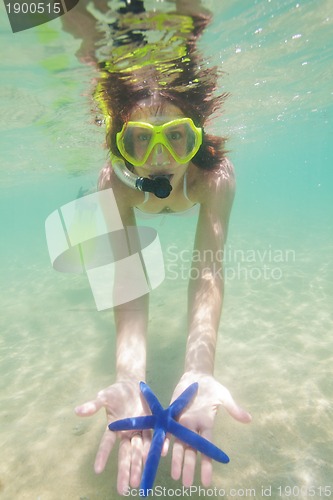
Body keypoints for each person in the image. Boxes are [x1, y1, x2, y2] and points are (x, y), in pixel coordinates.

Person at [63, 0, 251, 494]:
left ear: (198, 136)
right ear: (118, 144)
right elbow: (128, 283)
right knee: (100, 239)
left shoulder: (214, 179)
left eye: (176, 139)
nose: (161, 160)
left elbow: (206, 271)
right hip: (112, 203)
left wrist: (198, 369)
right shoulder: (117, 183)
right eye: (141, 142)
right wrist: (130, 375)